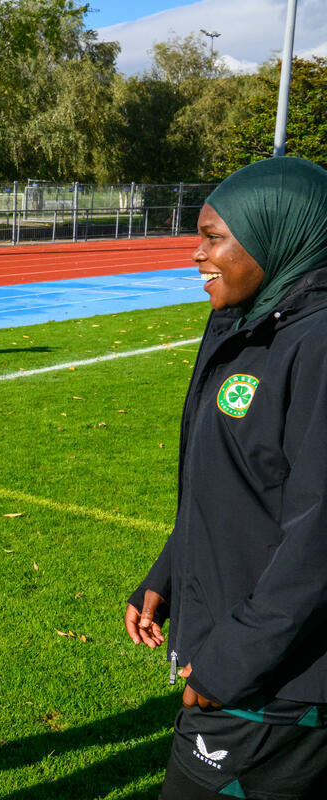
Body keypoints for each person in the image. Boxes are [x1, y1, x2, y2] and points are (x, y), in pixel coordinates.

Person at [124, 157, 327, 800]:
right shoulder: (246, 322)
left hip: (280, 684)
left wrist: (226, 666)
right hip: (246, 660)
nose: (196, 253)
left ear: (276, 236)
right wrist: (169, 571)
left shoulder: (317, 345)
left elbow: (317, 541)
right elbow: (231, 486)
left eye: (214, 237)